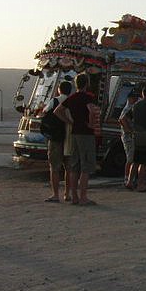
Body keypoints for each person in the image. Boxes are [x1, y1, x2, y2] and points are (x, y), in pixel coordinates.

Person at [55, 73, 98, 206]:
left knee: (74, 166)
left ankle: (74, 196)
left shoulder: (72, 98)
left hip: (74, 133)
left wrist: (69, 121)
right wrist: (91, 124)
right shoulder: (88, 97)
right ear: (87, 83)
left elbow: (57, 111)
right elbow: (91, 110)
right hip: (85, 133)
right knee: (86, 166)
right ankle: (83, 197)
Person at [44, 80, 72, 202]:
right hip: (70, 137)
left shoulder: (54, 101)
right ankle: (67, 193)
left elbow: (45, 111)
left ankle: (55, 194)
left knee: (54, 167)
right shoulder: (72, 102)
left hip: (55, 137)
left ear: (59, 89)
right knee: (69, 168)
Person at [118, 90, 138, 187]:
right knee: (130, 158)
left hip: (130, 136)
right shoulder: (127, 108)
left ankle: (131, 178)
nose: (136, 99)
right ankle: (127, 178)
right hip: (128, 137)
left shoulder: (132, 107)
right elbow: (122, 119)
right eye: (134, 97)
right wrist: (129, 131)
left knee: (133, 158)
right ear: (129, 98)